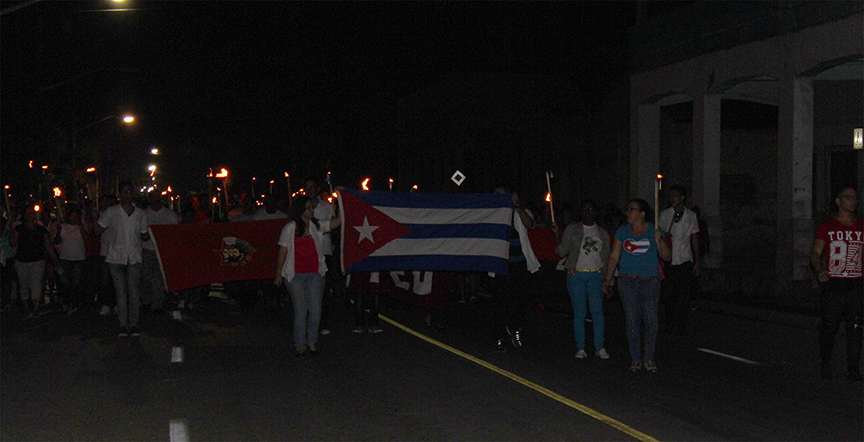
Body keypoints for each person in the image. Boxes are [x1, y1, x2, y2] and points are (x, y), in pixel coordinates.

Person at [602, 198, 670, 373]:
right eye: (627, 209)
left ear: (642, 213)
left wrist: (660, 241)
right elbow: (614, 256)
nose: (627, 212)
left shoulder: (654, 230)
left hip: (649, 280)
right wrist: (608, 279)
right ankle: (636, 359)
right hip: (628, 281)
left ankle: (648, 358)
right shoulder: (623, 231)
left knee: (650, 320)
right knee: (632, 320)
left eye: (631, 209)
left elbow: (667, 257)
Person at [273, 195, 342, 356]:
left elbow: (335, 223)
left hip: (315, 274)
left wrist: (341, 204)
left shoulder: (316, 226)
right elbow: (282, 251)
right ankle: (300, 344)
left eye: (312, 207)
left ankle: (312, 341)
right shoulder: (290, 228)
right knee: (301, 310)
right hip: (295, 275)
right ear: (300, 210)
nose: (312, 210)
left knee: (316, 310)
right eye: (309, 208)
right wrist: (278, 273)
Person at [809, 185, 862, 382]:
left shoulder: (861, 227)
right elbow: (815, 253)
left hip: (856, 285)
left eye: (855, 197)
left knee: (855, 329)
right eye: (848, 197)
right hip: (834, 286)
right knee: (829, 327)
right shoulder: (828, 227)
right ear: (838, 202)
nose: (853, 201)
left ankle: (854, 370)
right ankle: (825, 364)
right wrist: (819, 269)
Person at [553, 200, 611, 360]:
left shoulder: (602, 233)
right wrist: (556, 235)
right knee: (579, 312)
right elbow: (561, 251)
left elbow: (606, 257)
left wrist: (608, 280)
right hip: (576, 274)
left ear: (596, 212)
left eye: (591, 209)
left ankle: (600, 346)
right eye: (584, 209)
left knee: (597, 312)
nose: (587, 212)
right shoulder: (572, 229)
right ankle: (581, 347)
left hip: (596, 275)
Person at [97, 181, 149, 337]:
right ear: (119, 194)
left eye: (129, 192)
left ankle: (133, 324)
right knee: (121, 293)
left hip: (133, 257)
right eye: (123, 192)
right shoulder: (111, 212)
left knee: (133, 292)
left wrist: (148, 234)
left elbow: (143, 234)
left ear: (132, 194)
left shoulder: (140, 214)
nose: (126, 195)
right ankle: (122, 324)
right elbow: (98, 229)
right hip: (116, 257)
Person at [490, 185, 539, 352]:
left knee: (519, 302)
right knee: (499, 304)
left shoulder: (519, 212)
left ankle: (515, 328)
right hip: (500, 264)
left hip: (519, 264)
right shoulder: (490, 215)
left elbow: (530, 224)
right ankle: (499, 337)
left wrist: (517, 206)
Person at [658, 185, 700, 336]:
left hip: (684, 260)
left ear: (682, 197)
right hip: (669, 261)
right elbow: (660, 236)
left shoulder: (691, 216)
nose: (671, 199)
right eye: (670, 196)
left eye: (674, 196)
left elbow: (694, 237)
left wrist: (696, 260)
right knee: (669, 295)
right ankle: (668, 323)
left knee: (683, 296)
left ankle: (680, 326)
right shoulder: (664, 215)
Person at [10, 205, 59, 319]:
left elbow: (48, 245)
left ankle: (36, 307)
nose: (29, 215)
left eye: (31, 213)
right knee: (24, 284)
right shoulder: (19, 229)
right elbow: (13, 243)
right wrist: (12, 232)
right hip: (22, 261)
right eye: (27, 213)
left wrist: (55, 259)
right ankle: (27, 308)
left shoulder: (41, 230)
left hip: (37, 260)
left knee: (36, 283)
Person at [140, 191, 180, 314]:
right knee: (145, 277)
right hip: (147, 249)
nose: (155, 200)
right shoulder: (144, 214)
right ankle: (146, 300)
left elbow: (174, 233)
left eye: (157, 197)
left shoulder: (169, 214)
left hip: (162, 251)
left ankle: (158, 304)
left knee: (159, 278)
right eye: (153, 197)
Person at [55, 207, 89, 315]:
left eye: (76, 216)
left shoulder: (81, 228)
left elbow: (87, 239)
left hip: (78, 259)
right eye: (72, 216)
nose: (74, 218)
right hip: (65, 258)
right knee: (65, 282)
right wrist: (58, 231)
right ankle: (66, 302)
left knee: (76, 282)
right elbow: (57, 241)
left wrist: (81, 228)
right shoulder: (64, 227)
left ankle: (74, 303)